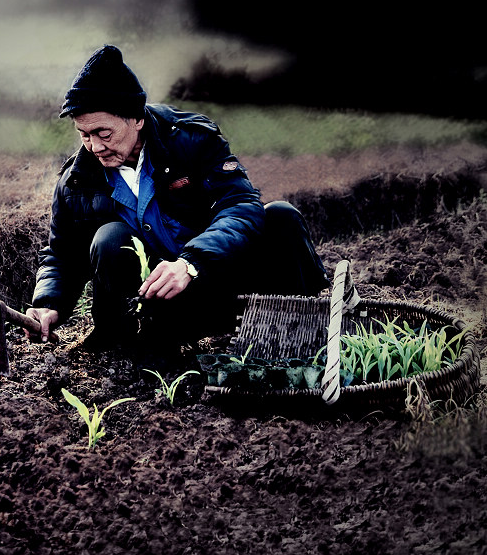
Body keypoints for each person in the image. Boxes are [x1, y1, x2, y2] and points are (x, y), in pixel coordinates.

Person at [25, 45, 329, 353]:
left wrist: (190, 263)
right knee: (109, 238)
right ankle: (135, 348)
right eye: (84, 134)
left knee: (280, 216)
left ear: (136, 118)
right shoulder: (77, 180)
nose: (94, 146)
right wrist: (49, 303)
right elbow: (62, 253)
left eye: (103, 133)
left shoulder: (191, 139)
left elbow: (240, 204)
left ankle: (298, 330)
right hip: (160, 306)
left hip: (223, 281)